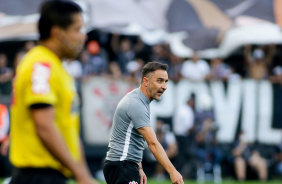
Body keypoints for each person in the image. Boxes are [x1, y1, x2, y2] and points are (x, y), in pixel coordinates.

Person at [9, 1, 98, 184]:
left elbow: (69, 133)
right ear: (57, 32)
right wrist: (80, 175)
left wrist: (84, 174)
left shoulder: (57, 67)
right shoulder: (41, 65)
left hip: (52, 176)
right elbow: (44, 126)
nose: (83, 37)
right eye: (77, 29)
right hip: (37, 177)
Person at [103, 61, 184, 184]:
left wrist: (138, 167)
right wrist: (172, 171)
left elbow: (135, 137)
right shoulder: (137, 104)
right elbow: (152, 143)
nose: (164, 86)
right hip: (122, 164)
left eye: (166, 81)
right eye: (159, 80)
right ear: (146, 81)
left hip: (123, 164)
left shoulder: (139, 100)